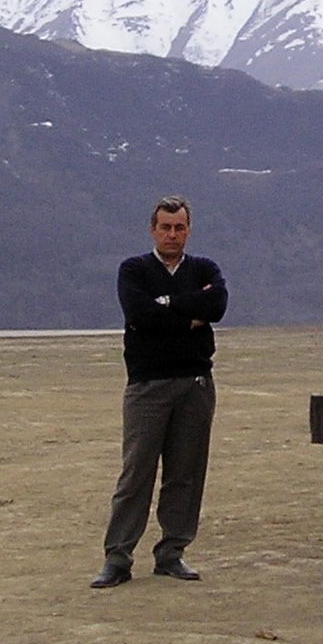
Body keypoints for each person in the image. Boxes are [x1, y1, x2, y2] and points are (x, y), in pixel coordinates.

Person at [91, 195, 228, 588]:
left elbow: (216, 304)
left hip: (195, 385)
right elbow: (139, 315)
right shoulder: (134, 269)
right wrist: (189, 316)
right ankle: (117, 558)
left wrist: (167, 306)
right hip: (147, 385)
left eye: (179, 227)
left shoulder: (204, 267)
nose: (172, 234)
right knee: (136, 475)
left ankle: (172, 552)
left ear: (188, 230)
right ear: (153, 229)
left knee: (185, 474)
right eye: (165, 227)